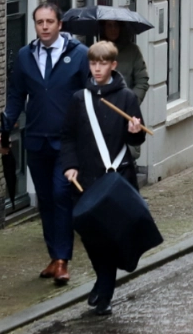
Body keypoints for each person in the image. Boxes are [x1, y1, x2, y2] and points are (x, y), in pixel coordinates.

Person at [0, 3, 90, 285]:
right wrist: (5, 129)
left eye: (50, 21)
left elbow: (90, 95)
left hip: (68, 141)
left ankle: (63, 259)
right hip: (37, 138)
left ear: (60, 24)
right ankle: (54, 255)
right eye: (40, 22)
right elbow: (16, 96)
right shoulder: (25, 56)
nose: (45, 27)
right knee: (46, 200)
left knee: (61, 195)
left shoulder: (79, 55)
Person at [59, 40, 146, 316]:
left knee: (109, 236)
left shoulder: (127, 97)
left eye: (102, 64)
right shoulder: (78, 99)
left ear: (113, 65)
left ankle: (106, 292)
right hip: (85, 178)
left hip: (116, 177)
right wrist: (70, 165)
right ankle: (102, 277)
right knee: (90, 236)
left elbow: (139, 136)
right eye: (93, 64)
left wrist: (134, 130)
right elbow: (68, 136)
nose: (97, 69)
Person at [98, 19, 150, 104]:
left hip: (126, 107)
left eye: (116, 25)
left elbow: (142, 81)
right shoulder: (96, 51)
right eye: (109, 25)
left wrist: (133, 101)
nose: (113, 29)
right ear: (104, 28)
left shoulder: (132, 51)